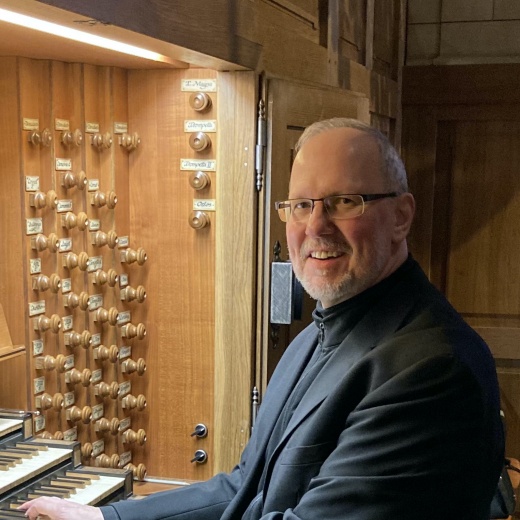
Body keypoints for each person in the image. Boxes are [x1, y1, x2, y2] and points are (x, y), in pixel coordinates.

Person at [20, 118, 504, 519]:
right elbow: (242, 487)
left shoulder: (432, 371)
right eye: (301, 206)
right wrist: (105, 517)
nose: (316, 226)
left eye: (343, 202)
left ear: (401, 216)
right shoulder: (315, 338)